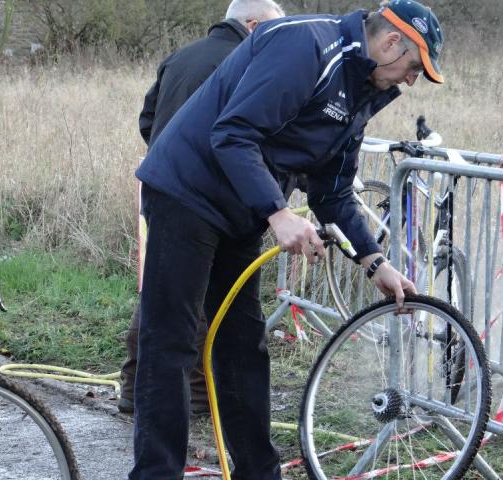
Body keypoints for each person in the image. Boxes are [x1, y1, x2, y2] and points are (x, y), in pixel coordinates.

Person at [130, 0, 445, 478]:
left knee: (242, 346)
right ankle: (156, 473)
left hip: (240, 209)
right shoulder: (308, 46)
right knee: (171, 341)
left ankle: (260, 472)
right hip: (186, 192)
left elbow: (333, 189)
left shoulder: (362, 89)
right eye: (414, 67)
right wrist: (278, 213)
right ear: (391, 42)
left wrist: (375, 260)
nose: (411, 80)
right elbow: (233, 133)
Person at [117, 0, 285, 415]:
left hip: (162, 184)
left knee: (162, 289)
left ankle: (132, 387)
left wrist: (167, 158)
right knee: (201, 294)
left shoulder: (181, 56)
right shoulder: (247, 64)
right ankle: (195, 392)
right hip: (210, 195)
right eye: (273, 33)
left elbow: (147, 118)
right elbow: (242, 136)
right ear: (252, 25)